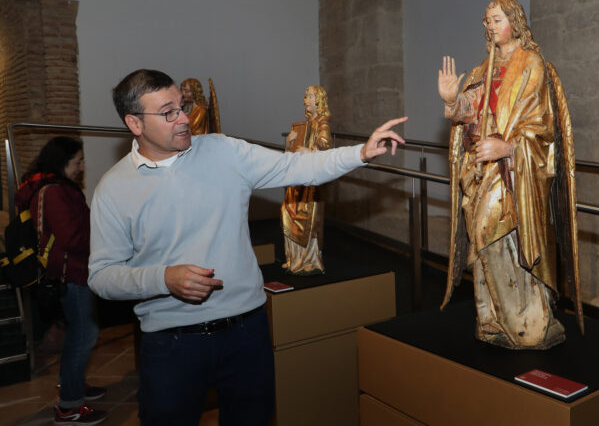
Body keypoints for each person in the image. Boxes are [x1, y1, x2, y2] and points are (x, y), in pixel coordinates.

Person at [88, 69, 406, 425]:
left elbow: (298, 166)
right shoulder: (113, 188)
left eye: (183, 106)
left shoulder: (225, 151)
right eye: (168, 112)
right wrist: (164, 279)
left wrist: (360, 153)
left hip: (246, 334)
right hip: (170, 344)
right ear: (134, 123)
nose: (184, 118)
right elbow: (102, 277)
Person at [437, 0, 580, 350]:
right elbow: (472, 109)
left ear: (514, 22)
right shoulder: (484, 67)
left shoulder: (531, 64)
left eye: (496, 19)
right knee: (482, 237)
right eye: (486, 21)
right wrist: (453, 100)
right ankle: (494, 319)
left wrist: (509, 148)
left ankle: (525, 321)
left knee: (493, 230)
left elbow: (543, 127)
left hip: (515, 172)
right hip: (482, 171)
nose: (490, 26)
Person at [15, 137, 107, 425]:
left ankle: (73, 383)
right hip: (72, 272)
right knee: (84, 335)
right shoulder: (55, 192)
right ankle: (69, 405)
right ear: (60, 162)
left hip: (72, 271)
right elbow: (72, 238)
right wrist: (107, 242)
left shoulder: (55, 188)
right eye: (76, 161)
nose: (81, 167)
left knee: (79, 334)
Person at [281, 85, 332, 275]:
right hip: (297, 179)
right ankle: (294, 258)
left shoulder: (322, 123)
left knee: (308, 220)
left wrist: (308, 152)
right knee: (287, 212)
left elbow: (325, 148)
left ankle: (309, 259)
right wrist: (289, 144)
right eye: (305, 97)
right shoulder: (303, 125)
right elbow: (291, 152)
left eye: (310, 96)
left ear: (318, 100)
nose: (306, 100)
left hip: (311, 181)